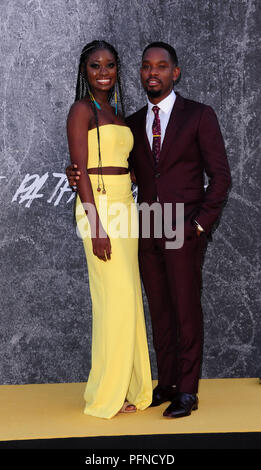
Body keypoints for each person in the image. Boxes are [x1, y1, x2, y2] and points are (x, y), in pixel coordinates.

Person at [67, 42, 231, 419]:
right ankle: (168, 384)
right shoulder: (133, 120)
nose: (152, 73)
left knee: (185, 309)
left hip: (183, 227)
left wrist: (200, 224)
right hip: (141, 225)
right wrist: (74, 172)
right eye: (146, 66)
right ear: (139, 73)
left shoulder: (199, 116)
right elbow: (119, 165)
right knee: (157, 309)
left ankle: (187, 392)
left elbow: (221, 178)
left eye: (161, 66)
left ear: (176, 72)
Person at [66, 40, 152, 419]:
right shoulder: (81, 109)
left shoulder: (116, 113)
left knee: (129, 299)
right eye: (96, 66)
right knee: (112, 303)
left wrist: (129, 171)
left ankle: (131, 388)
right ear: (85, 71)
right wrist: (96, 225)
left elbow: (121, 160)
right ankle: (108, 394)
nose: (104, 72)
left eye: (111, 65)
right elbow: (80, 170)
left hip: (126, 207)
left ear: (118, 69)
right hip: (99, 209)